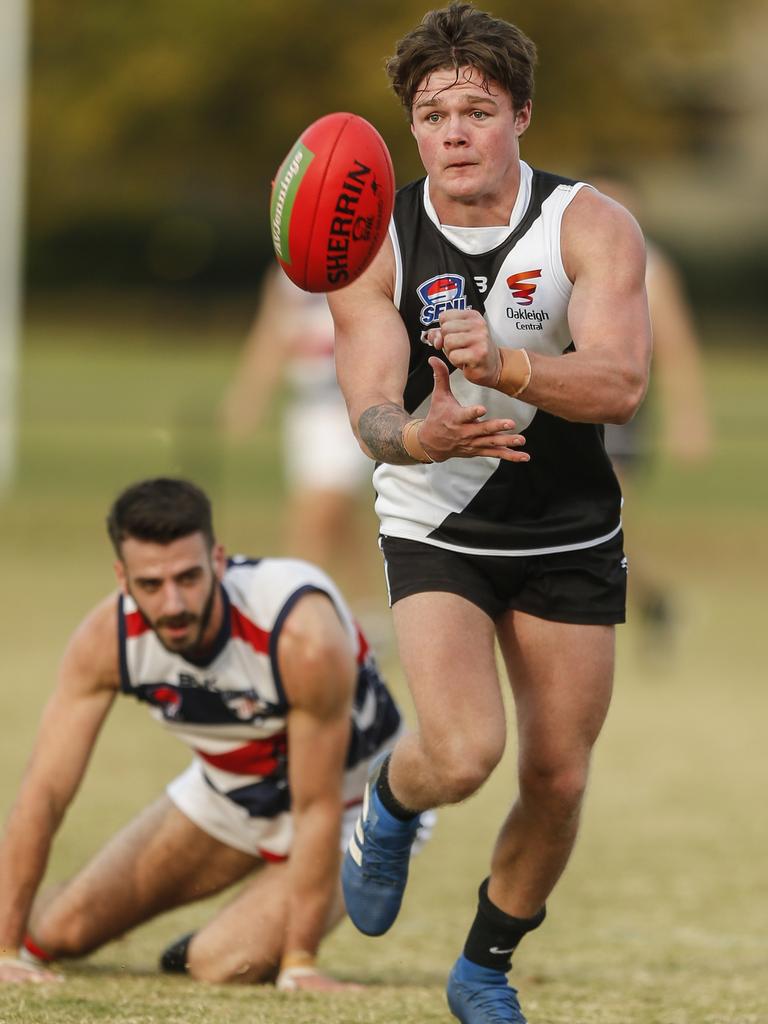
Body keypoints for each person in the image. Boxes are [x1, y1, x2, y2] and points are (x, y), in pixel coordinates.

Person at [327, 5, 652, 1023]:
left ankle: (485, 966)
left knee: (555, 773)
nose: (455, 130)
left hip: (569, 526)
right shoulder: (376, 236)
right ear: (411, 131)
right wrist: (419, 437)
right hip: (437, 522)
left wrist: (506, 363)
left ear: (520, 115)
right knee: (464, 752)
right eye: (433, 113)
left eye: (477, 108)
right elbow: (372, 412)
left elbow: (621, 384)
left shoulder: (589, 224)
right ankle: (387, 801)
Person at [0, 477, 407, 989]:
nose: (173, 604)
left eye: (188, 578)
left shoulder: (300, 632)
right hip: (232, 791)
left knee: (221, 962)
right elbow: (45, 792)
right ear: (122, 578)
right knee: (58, 932)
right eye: (151, 585)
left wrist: (299, 963)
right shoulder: (106, 640)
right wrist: (6, 950)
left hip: (351, 806)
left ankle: (219, 939)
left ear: (218, 561)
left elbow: (316, 807)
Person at [591, 173, 712, 651]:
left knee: (600, 517)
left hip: (620, 413)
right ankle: (656, 601)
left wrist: (690, 417)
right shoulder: (556, 253)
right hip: (561, 407)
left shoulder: (650, 267)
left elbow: (678, 347)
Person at [220, 265, 373, 593]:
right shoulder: (289, 272)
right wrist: (249, 395)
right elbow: (272, 334)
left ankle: (294, 602)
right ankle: (364, 608)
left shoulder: (372, 261)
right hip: (309, 408)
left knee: (317, 513)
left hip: (351, 402)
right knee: (337, 520)